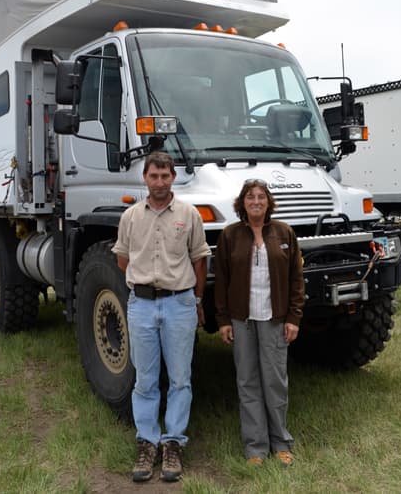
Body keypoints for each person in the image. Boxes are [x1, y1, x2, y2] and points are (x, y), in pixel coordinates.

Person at [112, 151, 211, 483]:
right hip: (141, 305)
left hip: (179, 304)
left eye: (165, 176)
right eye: (153, 176)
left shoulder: (189, 214)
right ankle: (147, 442)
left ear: (173, 177)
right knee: (145, 380)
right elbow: (123, 259)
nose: (159, 182)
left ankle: (174, 443)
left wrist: (196, 299)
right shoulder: (129, 217)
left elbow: (200, 259)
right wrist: (145, 281)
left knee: (181, 378)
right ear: (145, 178)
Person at [214, 179, 305, 468]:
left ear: (268, 202)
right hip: (242, 321)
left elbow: (296, 280)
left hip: (275, 319)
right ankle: (255, 446)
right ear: (242, 203)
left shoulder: (284, 232)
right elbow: (222, 282)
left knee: (275, 382)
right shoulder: (230, 235)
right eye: (250, 197)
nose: (256, 201)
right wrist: (224, 320)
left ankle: (281, 442)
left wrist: (293, 318)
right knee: (248, 382)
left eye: (261, 197)